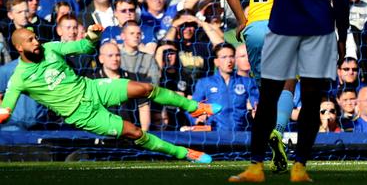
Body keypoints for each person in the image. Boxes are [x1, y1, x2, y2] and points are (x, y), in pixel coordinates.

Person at [229, 0, 348, 182]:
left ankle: (256, 166)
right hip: (317, 24)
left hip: (281, 20)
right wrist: (342, 38)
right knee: (309, 99)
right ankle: (300, 168)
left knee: (269, 92)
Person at [0, 26, 221, 163]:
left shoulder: (51, 48)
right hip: (82, 114)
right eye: (30, 40)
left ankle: (195, 107)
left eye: (35, 37)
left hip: (92, 88)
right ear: (19, 48)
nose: (36, 42)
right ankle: (183, 153)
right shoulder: (19, 77)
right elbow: (6, 110)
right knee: (133, 132)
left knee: (144, 88)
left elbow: (84, 47)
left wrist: (92, 37)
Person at [223, 0, 296, 174]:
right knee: (288, 82)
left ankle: (256, 159)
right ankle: (278, 131)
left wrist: (242, 20)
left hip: (255, 29)